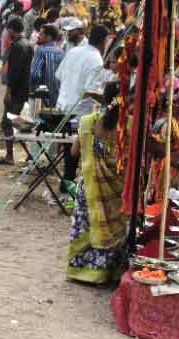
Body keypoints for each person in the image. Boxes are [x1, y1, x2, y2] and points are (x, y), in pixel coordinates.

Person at [67, 82, 127, 284]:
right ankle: (107, 273)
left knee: (87, 227)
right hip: (116, 189)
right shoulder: (127, 126)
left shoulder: (87, 122)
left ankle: (82, 272)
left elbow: (74, 152)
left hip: (90, 188)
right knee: (113, 228)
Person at [0, 18, 32, 165]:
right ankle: (30, 154)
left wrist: (8, 91)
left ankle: (10, 156)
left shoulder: (17, 46)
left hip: (16, 90)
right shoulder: (28, 44)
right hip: (25, 89)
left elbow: (15, 72)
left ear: (11, 29)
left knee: (8, 122)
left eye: (8, 30)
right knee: (21, 122)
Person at [30, 24, 64, 109]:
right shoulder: (61, 52)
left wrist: (32, 89)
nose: (38, 36)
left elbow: (35, 74)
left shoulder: (41, 51)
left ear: (49, 37)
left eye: (41, 34)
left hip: (44, 97)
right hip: (59, 95)